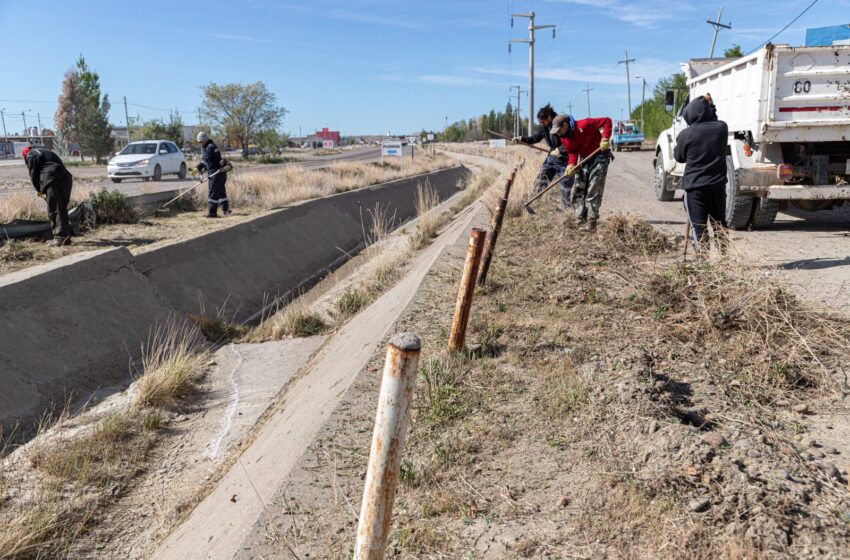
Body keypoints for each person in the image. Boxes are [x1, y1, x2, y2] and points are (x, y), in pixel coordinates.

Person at [673, 95, 728, 250]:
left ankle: (703, 260)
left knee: (699, 227)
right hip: (717, 186)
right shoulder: (721, 128)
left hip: (695, 188)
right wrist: (711, 105)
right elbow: (715, 118)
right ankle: (726, 257)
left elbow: (679, 157)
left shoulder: (686, 134)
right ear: (708, 111)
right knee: (720, 225)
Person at [552, 112, 613, 232]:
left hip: (600, 155)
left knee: (593, 190)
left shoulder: (585, 124)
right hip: (585, 158)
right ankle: (580, 218)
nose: (558, 133)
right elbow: (572, 152)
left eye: (559, 130)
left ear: (565, 125)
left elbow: (607, 120)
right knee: (578, 189)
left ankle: (591, 223)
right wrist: (571, 165)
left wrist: (605, 137)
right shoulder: (564, 138)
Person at [511, 104, 574, 208]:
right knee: (541, 179)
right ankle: (532, 204)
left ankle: (567, 209)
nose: (541, 124)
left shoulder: (561, 123)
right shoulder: (543, 126)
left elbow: (570, 140)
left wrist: (560, 149)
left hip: (565, 158)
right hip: (552, 157)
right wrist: (521, 139)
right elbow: (536, 138)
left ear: (549, 117)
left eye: (542, 122)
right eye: (540, 122)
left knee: (566, 185)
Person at [22, 146, 74, 246]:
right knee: (61, 208)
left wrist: (39, 190)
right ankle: (65, 238)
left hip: (54, 179)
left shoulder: (31, 154)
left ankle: (60, 238)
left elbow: (33, 174)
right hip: (65, 179)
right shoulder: (44, 152)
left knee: (55, 209)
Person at [196, 132, 230, 218]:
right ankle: (226, 210)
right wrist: (203, 169)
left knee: (213, 192)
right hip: (221, 172)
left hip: (216, 173)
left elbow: (206, 159)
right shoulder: (212, 146)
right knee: (221, 192)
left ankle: (212, 213)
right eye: (199, 142)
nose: (200, 143)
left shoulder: (209, 147)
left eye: (201, 141)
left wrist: (200, 166)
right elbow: (211, 161)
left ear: (205, 140)